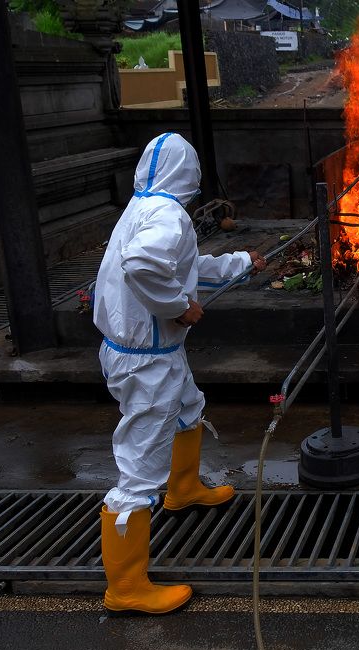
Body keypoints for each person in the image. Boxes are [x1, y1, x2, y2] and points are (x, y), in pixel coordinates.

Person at [93, 133, 266, 614]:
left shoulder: (144, 206)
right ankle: (125, 587)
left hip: (149, 351)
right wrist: (179, 307)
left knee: (189, 407)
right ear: (188, 173)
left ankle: (183, 487)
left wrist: (241, 265)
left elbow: (181, 267)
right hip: (146, 360)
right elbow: (146, 266)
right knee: (137, 470)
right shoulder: (167, 215)